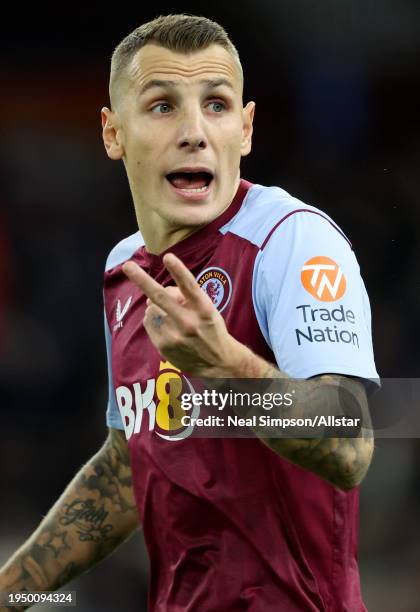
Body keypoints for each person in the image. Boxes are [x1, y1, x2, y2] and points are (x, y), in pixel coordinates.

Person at [0, 14, 379, 612]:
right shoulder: (124, 270)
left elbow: (349, 442)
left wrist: (225, 363)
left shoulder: (293, 241)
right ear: (112, 133)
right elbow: (131, 463)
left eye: (218, 105)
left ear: (247, 128)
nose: (195, 132)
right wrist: (13, 592)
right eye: (162, 106)